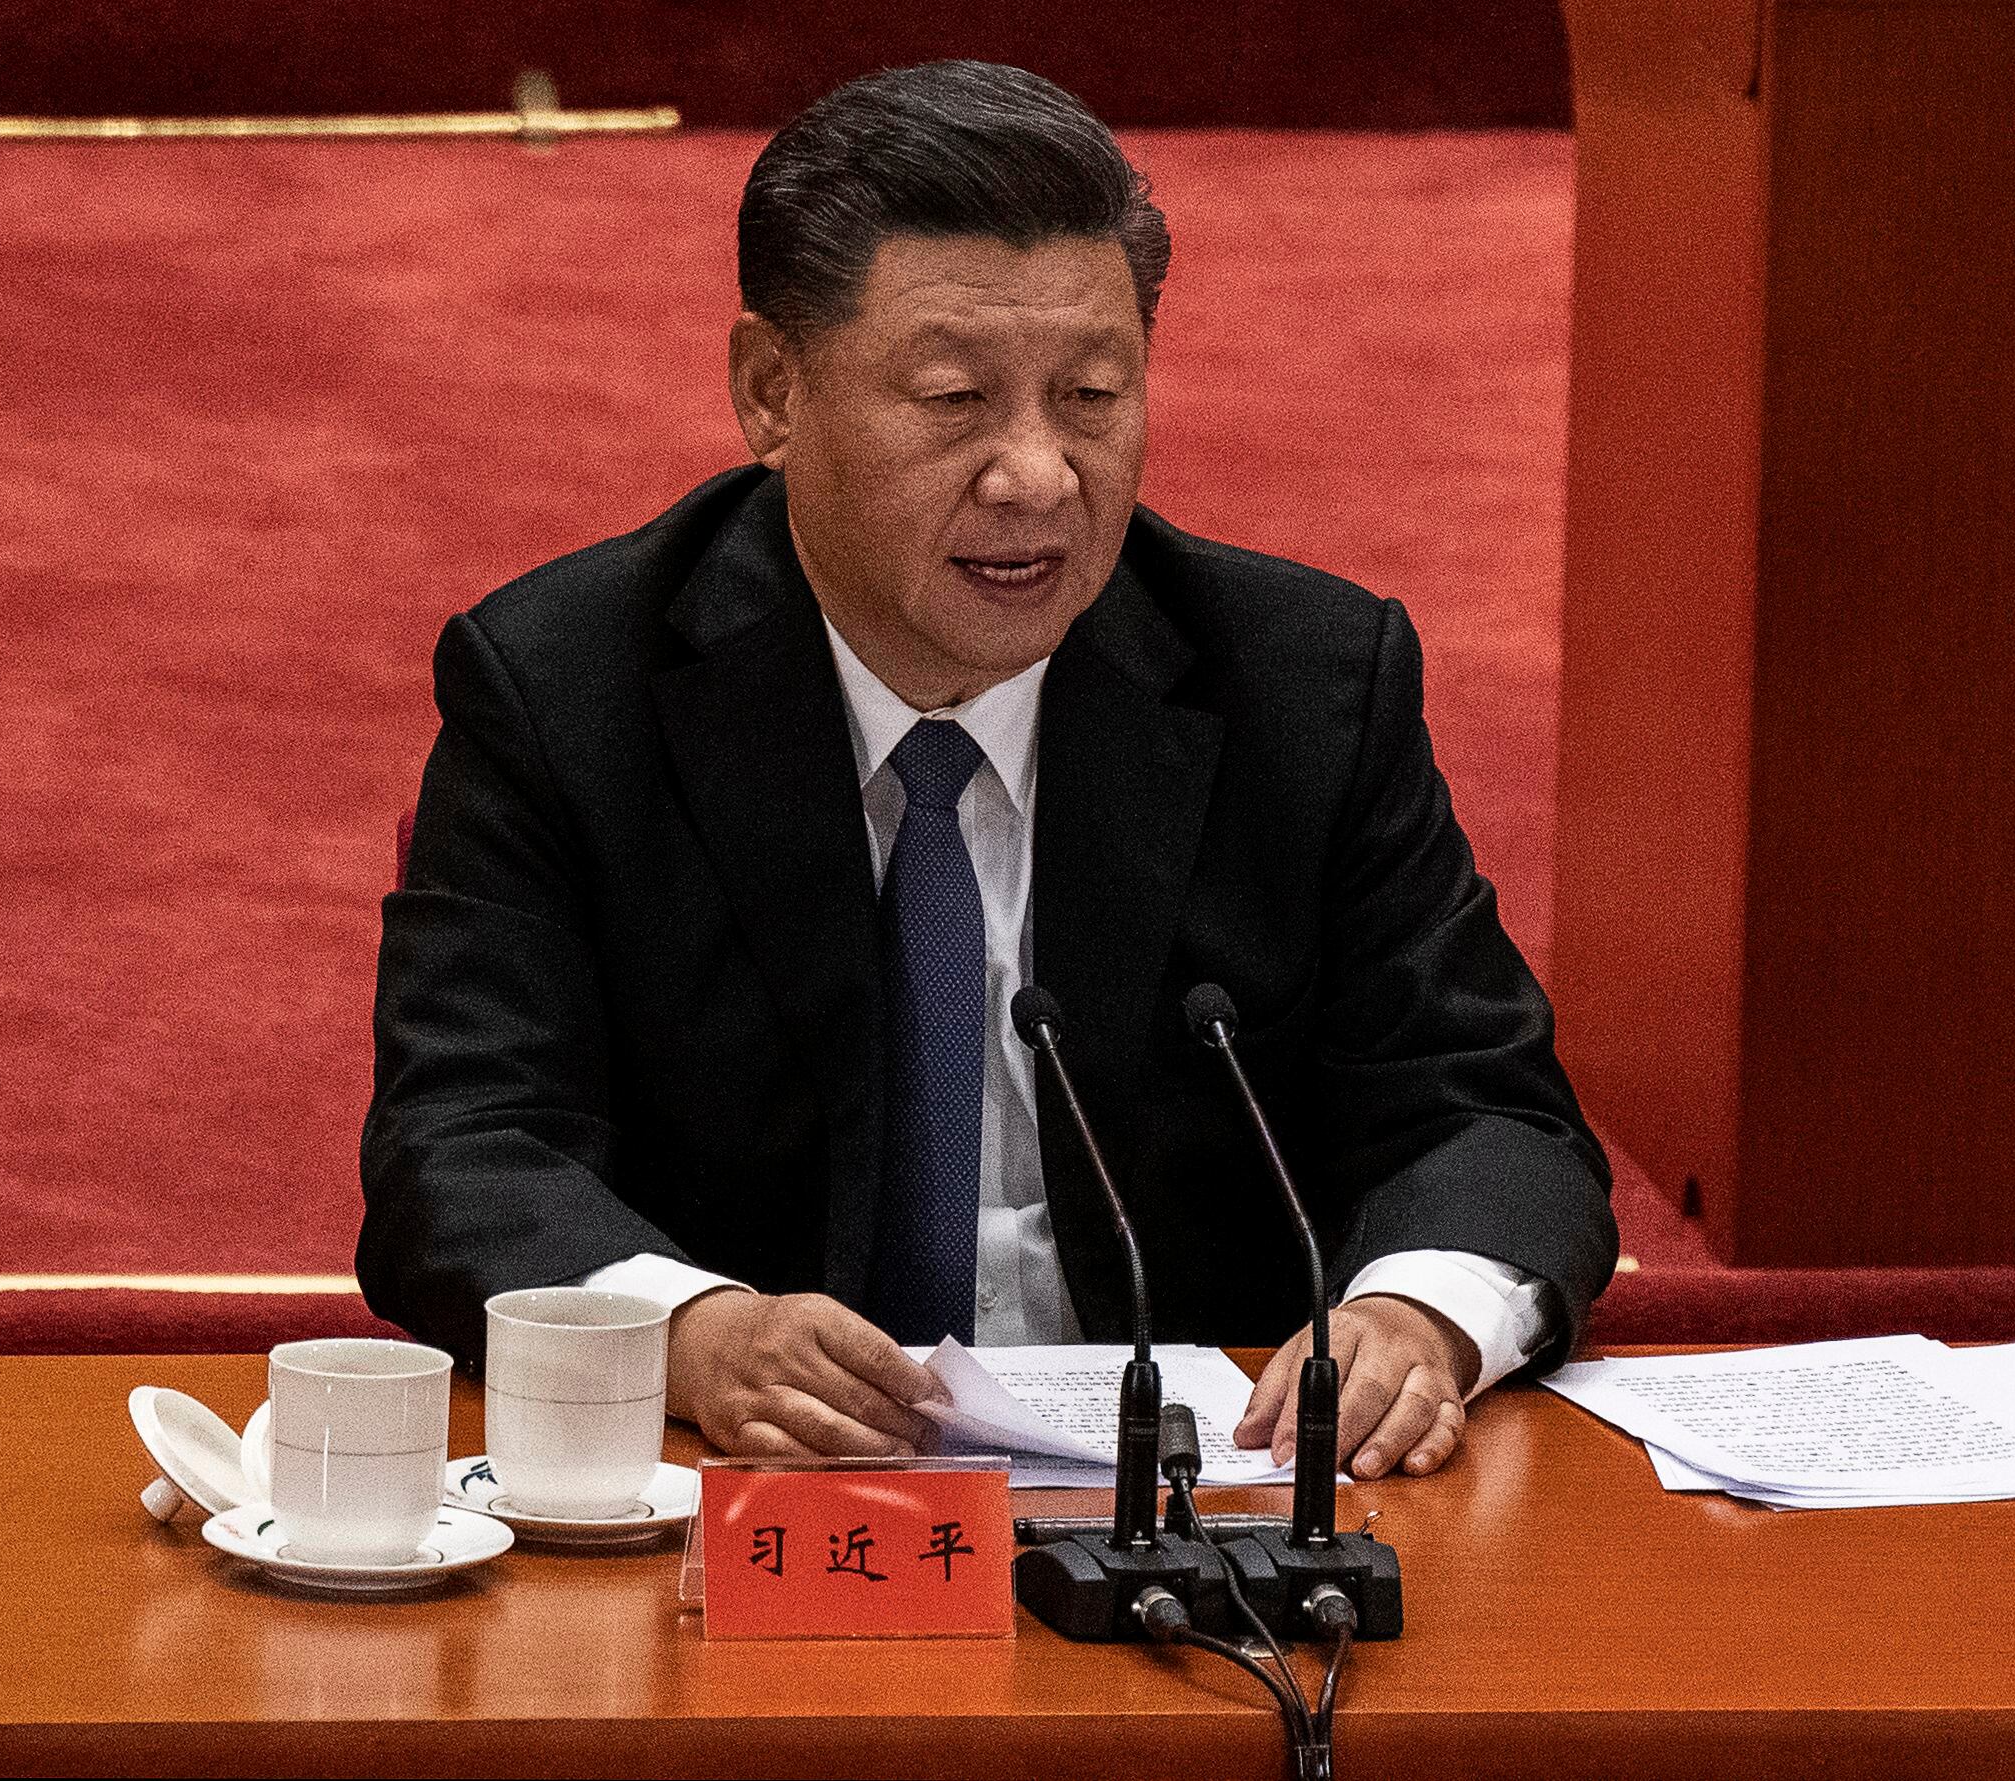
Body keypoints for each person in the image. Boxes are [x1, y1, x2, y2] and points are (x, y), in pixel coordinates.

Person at [359, 60, 1615, 1483]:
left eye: (1091, 395)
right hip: (758, 1510)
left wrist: (1417, 1312)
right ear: (771, 392)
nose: (1036, 474)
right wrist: (697, 1334)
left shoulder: (1301, 684)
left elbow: (1492, 1116)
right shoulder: (567, 686)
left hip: (1200, 1512)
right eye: (954, 399)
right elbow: (457, 1149)